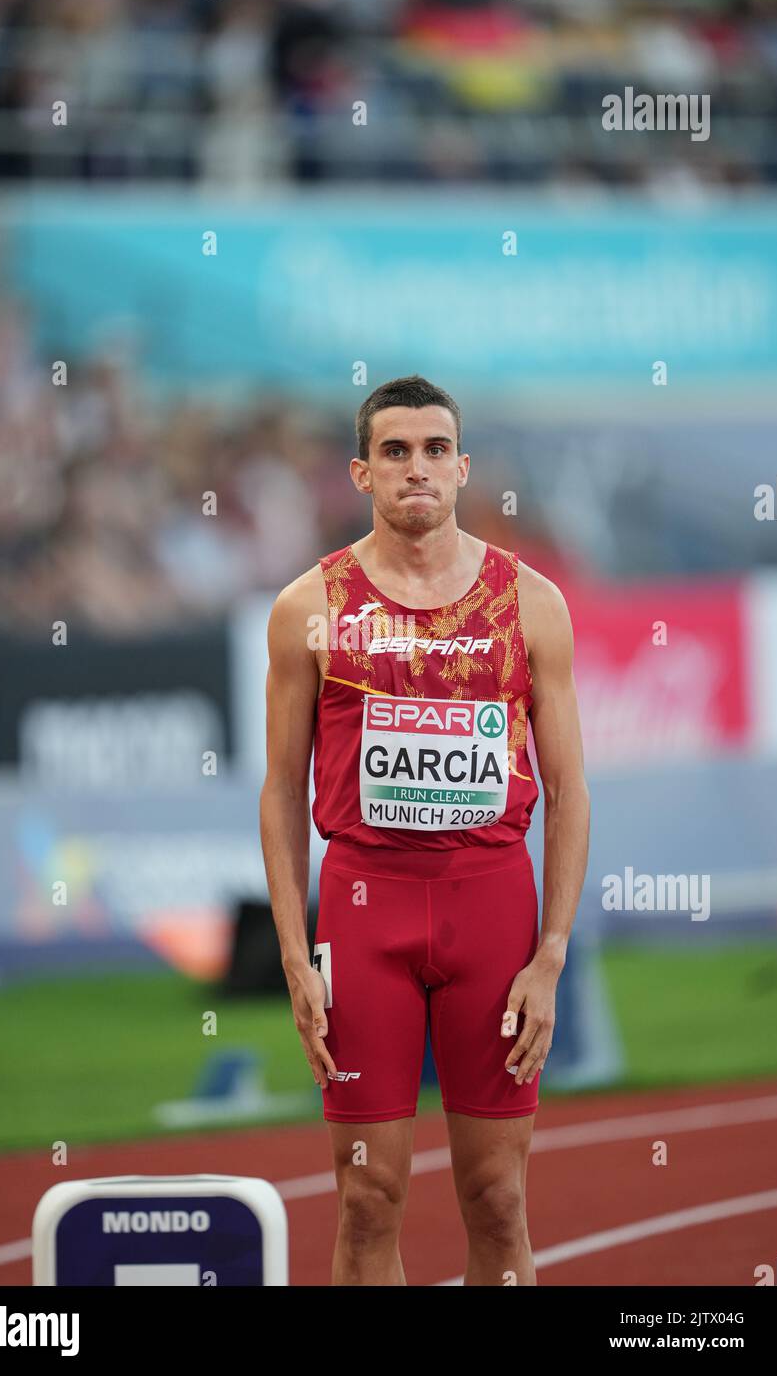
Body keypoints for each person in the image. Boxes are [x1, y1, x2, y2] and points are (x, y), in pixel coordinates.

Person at [260, 374, 589, 1285]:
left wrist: (551, 953)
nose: (418, 469)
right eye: (396, 452)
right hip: (365, 913)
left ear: (462, 467)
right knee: (367, 1202)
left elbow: (567, 787)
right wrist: (295, 952)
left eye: (435, 450)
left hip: (492, 908)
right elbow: (282, 790)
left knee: (498, 1197)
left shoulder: (531, 603)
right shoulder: (307, 609)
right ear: (362, 473)